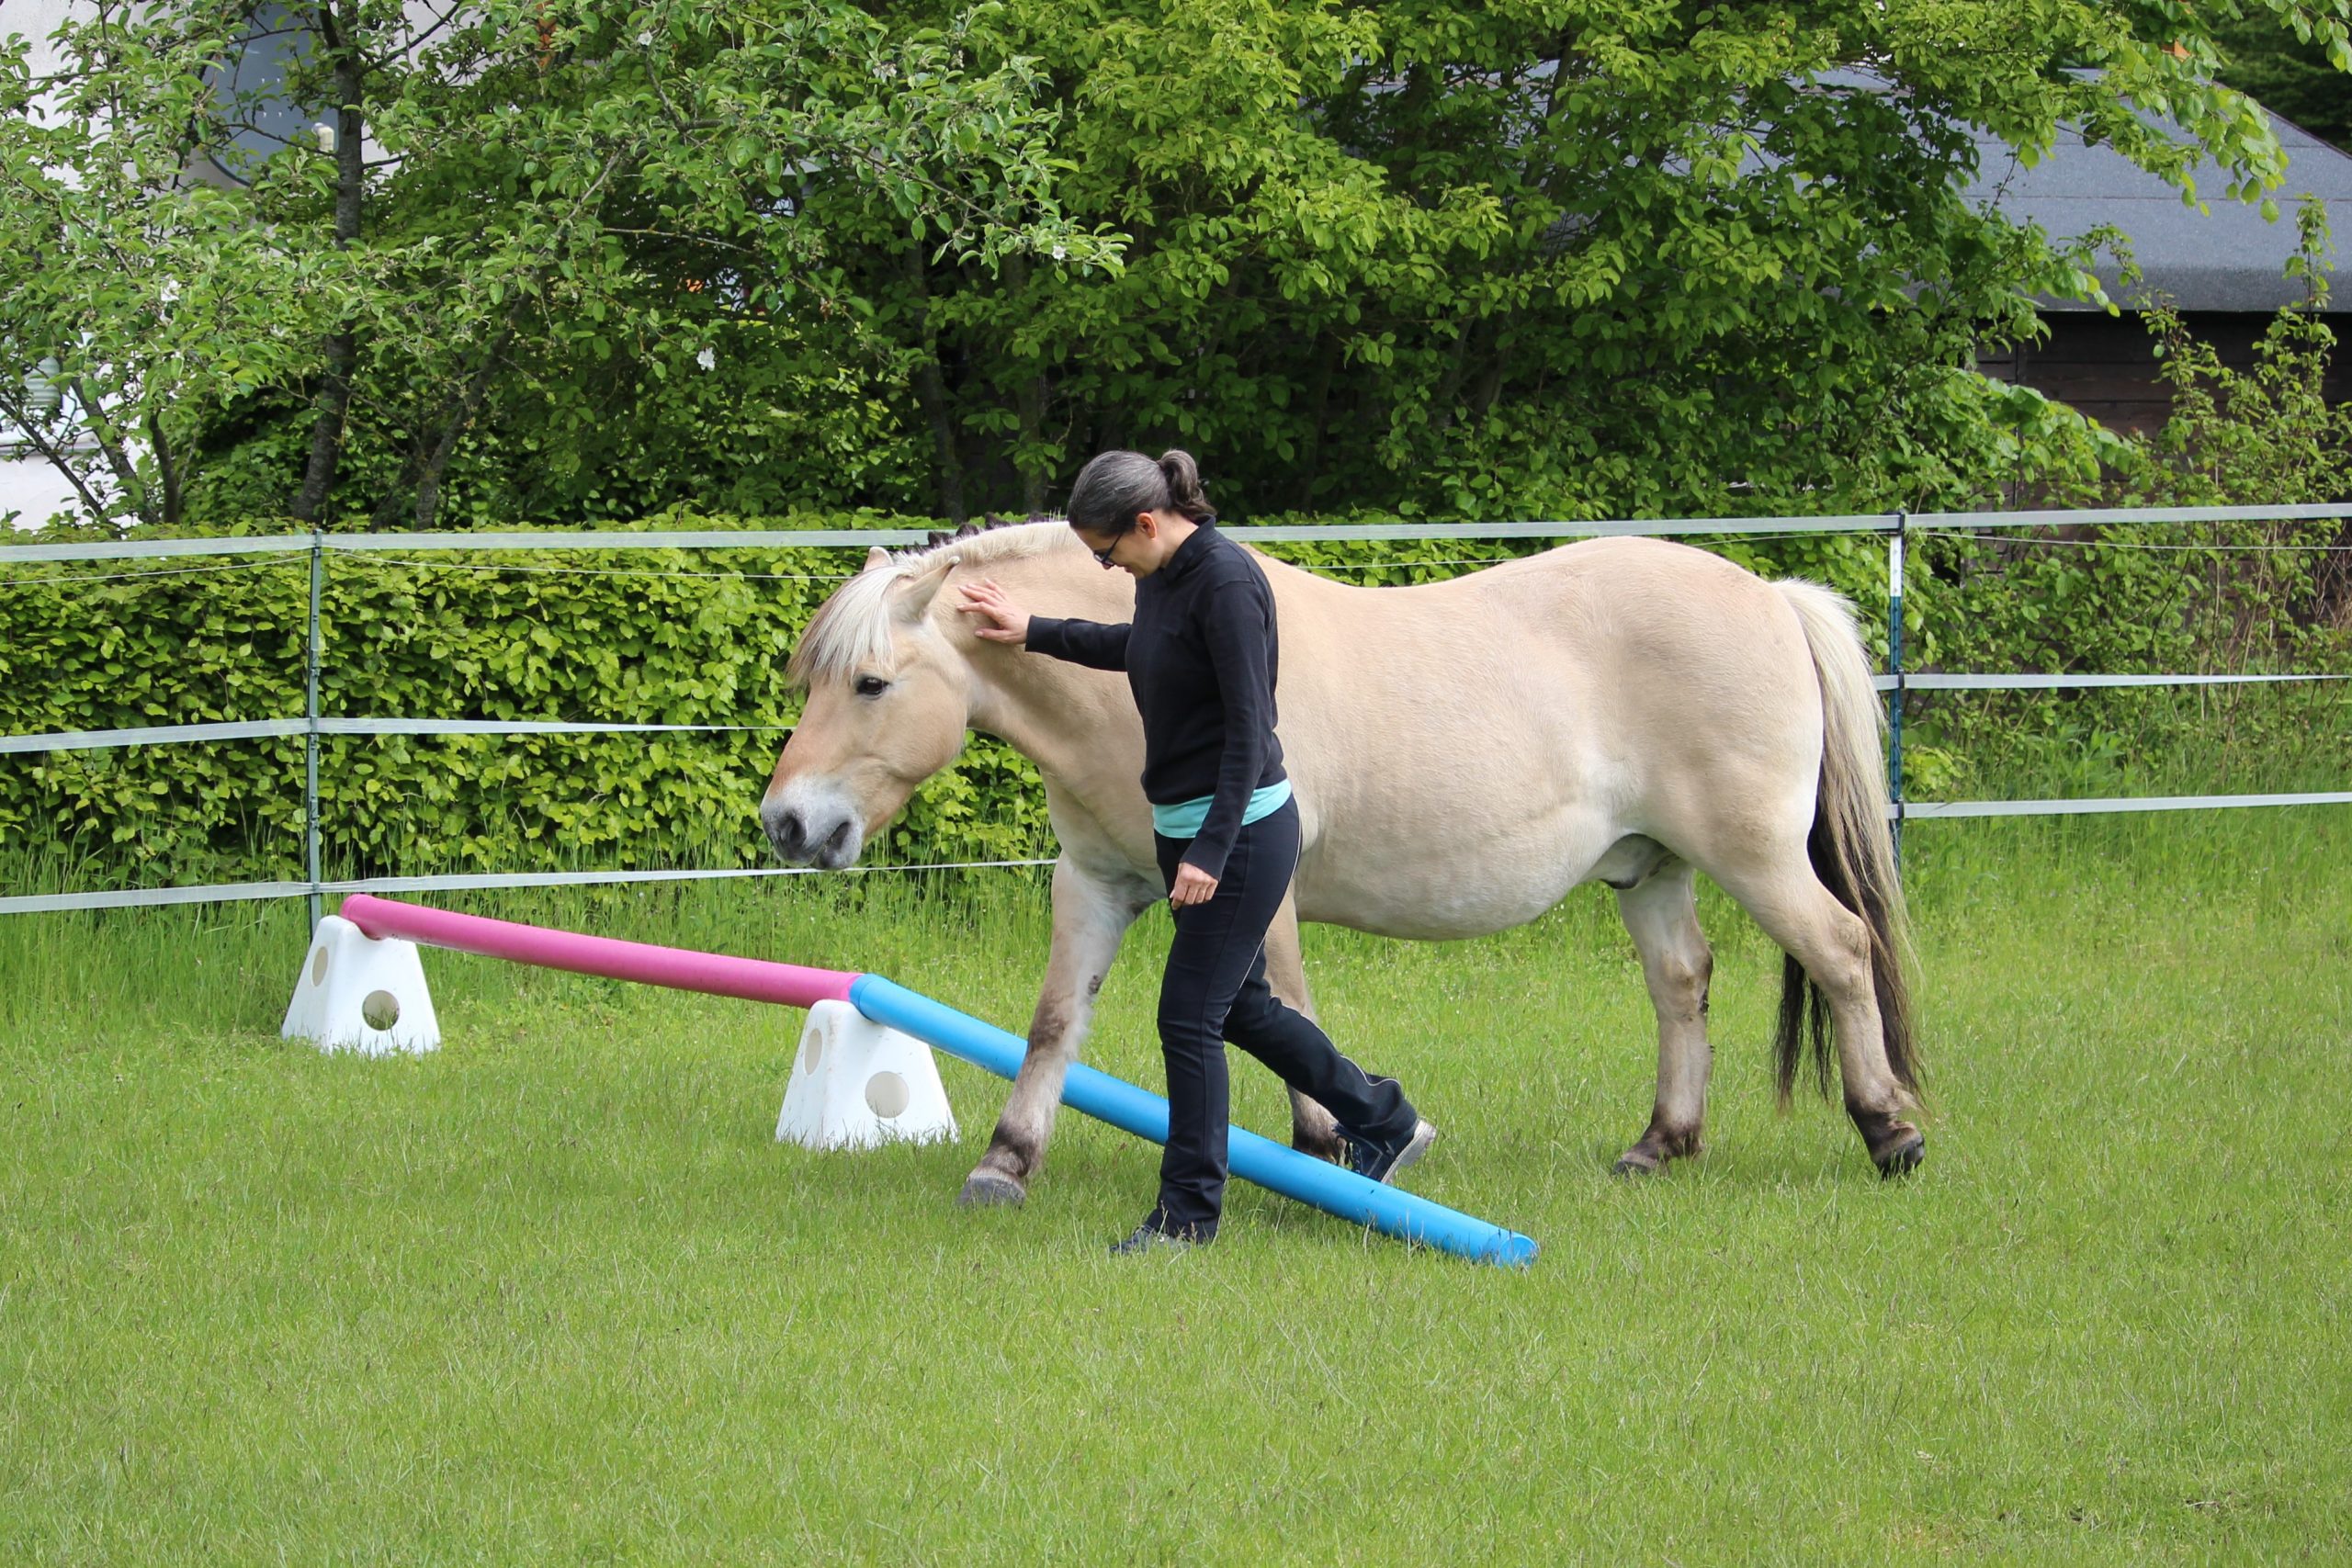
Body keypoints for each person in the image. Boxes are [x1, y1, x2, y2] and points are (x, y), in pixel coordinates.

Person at [956, 449, 1435, 1255]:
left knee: (1188, 1018)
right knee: (1242, 1008)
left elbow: (1253, 727)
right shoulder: (1164, 575)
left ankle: (1186, 1217)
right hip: (1191, 826)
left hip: (1240, 830)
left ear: (1148, 522)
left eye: (1109, 551)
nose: (1107, 565)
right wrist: (1031, 629)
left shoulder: (1227, 583)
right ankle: (1387, 1120)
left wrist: (1208, 853)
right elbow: (1141, 648)